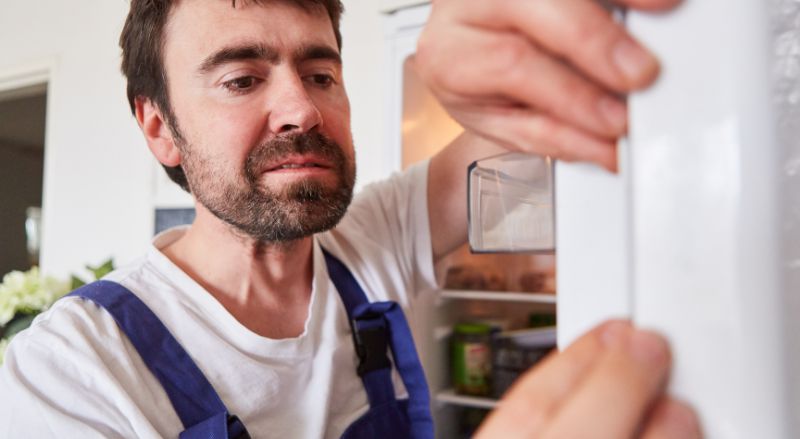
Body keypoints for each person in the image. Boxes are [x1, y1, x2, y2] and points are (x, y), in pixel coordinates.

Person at [0, 0, 700, 438]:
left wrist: (515, 37)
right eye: (243, 78)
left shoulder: (369, 241)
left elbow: (533, 116)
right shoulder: (70, 372)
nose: (303, 109)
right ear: (160, 128)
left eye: (320, 73)